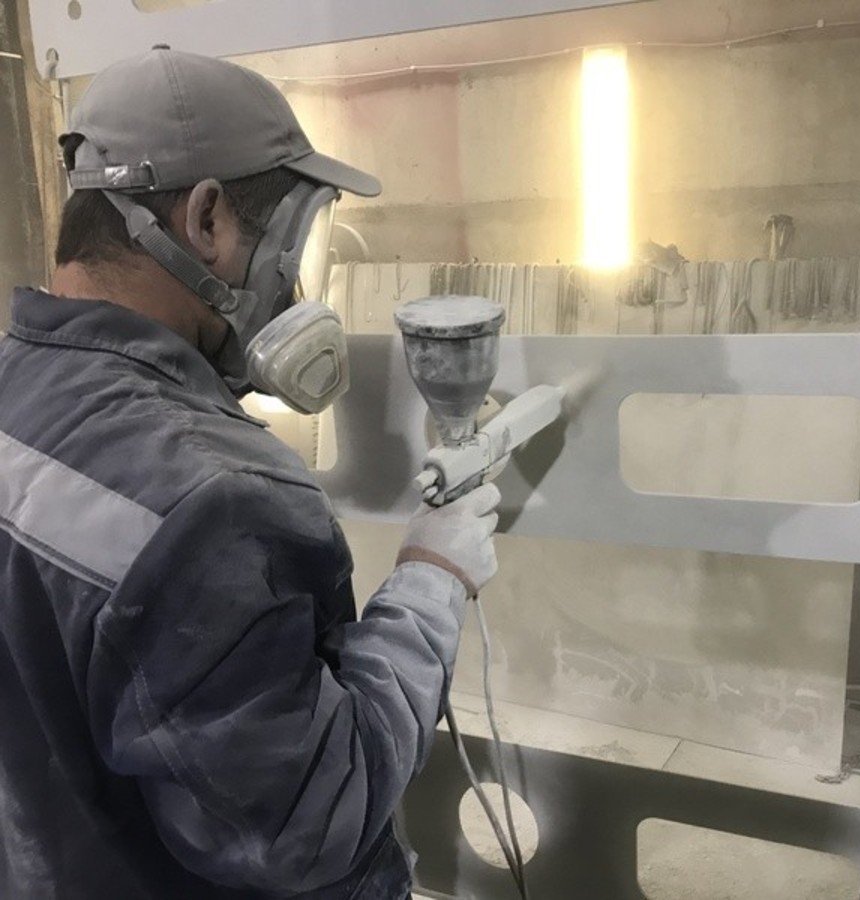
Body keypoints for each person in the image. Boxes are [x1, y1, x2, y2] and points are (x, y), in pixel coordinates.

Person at [0, 47, 499, 899]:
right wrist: (432, 580)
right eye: (288, 247)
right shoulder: (208, 500)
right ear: (207, 220)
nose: (294, 289)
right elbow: (313, 820)